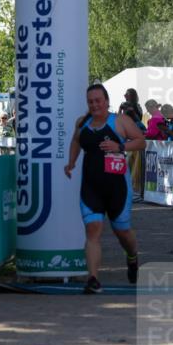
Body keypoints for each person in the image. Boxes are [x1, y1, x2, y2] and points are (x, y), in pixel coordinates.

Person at [64, 84, 146, 294]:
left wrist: (120, 147)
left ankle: (132, 257)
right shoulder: (82, 123)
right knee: (92, 230)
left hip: (117, 188)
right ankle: (93, 279)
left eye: (98, 100)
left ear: (107, 101)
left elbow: (141, 141)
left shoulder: (120, 121)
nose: (94, 105)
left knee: (123, 233)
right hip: (91, 187)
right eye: (91, 101)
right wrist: (71, 162)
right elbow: (75, 141)